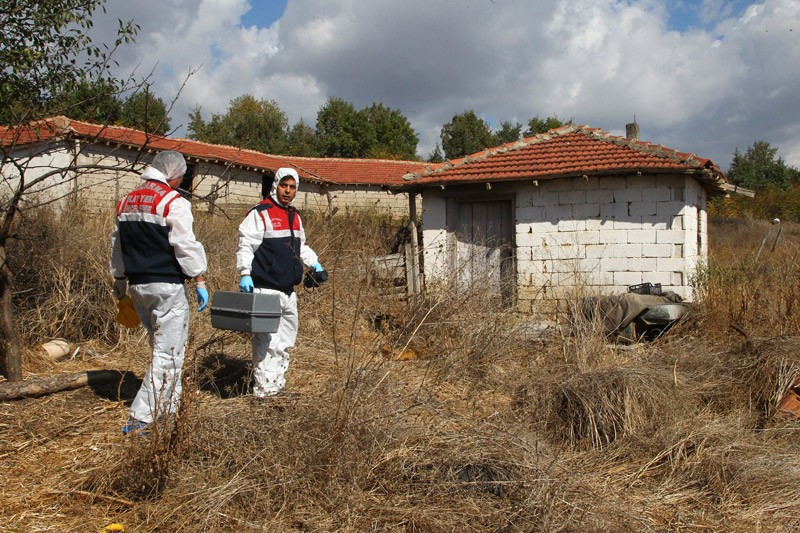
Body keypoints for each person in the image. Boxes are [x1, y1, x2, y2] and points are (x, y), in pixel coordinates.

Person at [109, 150, 209, 435]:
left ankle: (169, 410)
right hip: (166, 286)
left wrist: (119, 278)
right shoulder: (173, 202)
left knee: (162, 350)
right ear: (174, 174)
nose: (181, 181)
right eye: (182, 176)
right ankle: (141, 419)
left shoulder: (126, 201)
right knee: (169, 354)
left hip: (138, 286)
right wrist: (200, 279)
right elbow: (185, 246)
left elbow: (116, 245)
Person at [236, 167, 323, 398]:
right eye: (284, 185)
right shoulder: (260, 212)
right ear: (276, 185)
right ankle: (263, 391)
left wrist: (315, 264)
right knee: (268, 341)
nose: (288, 191)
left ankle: (276, 385)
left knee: (285, 341)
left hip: (288, 291)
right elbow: (246, 244)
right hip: (266, 288)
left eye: (292, 187)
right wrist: (245, 272)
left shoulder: (294, 215)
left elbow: (301, 246)